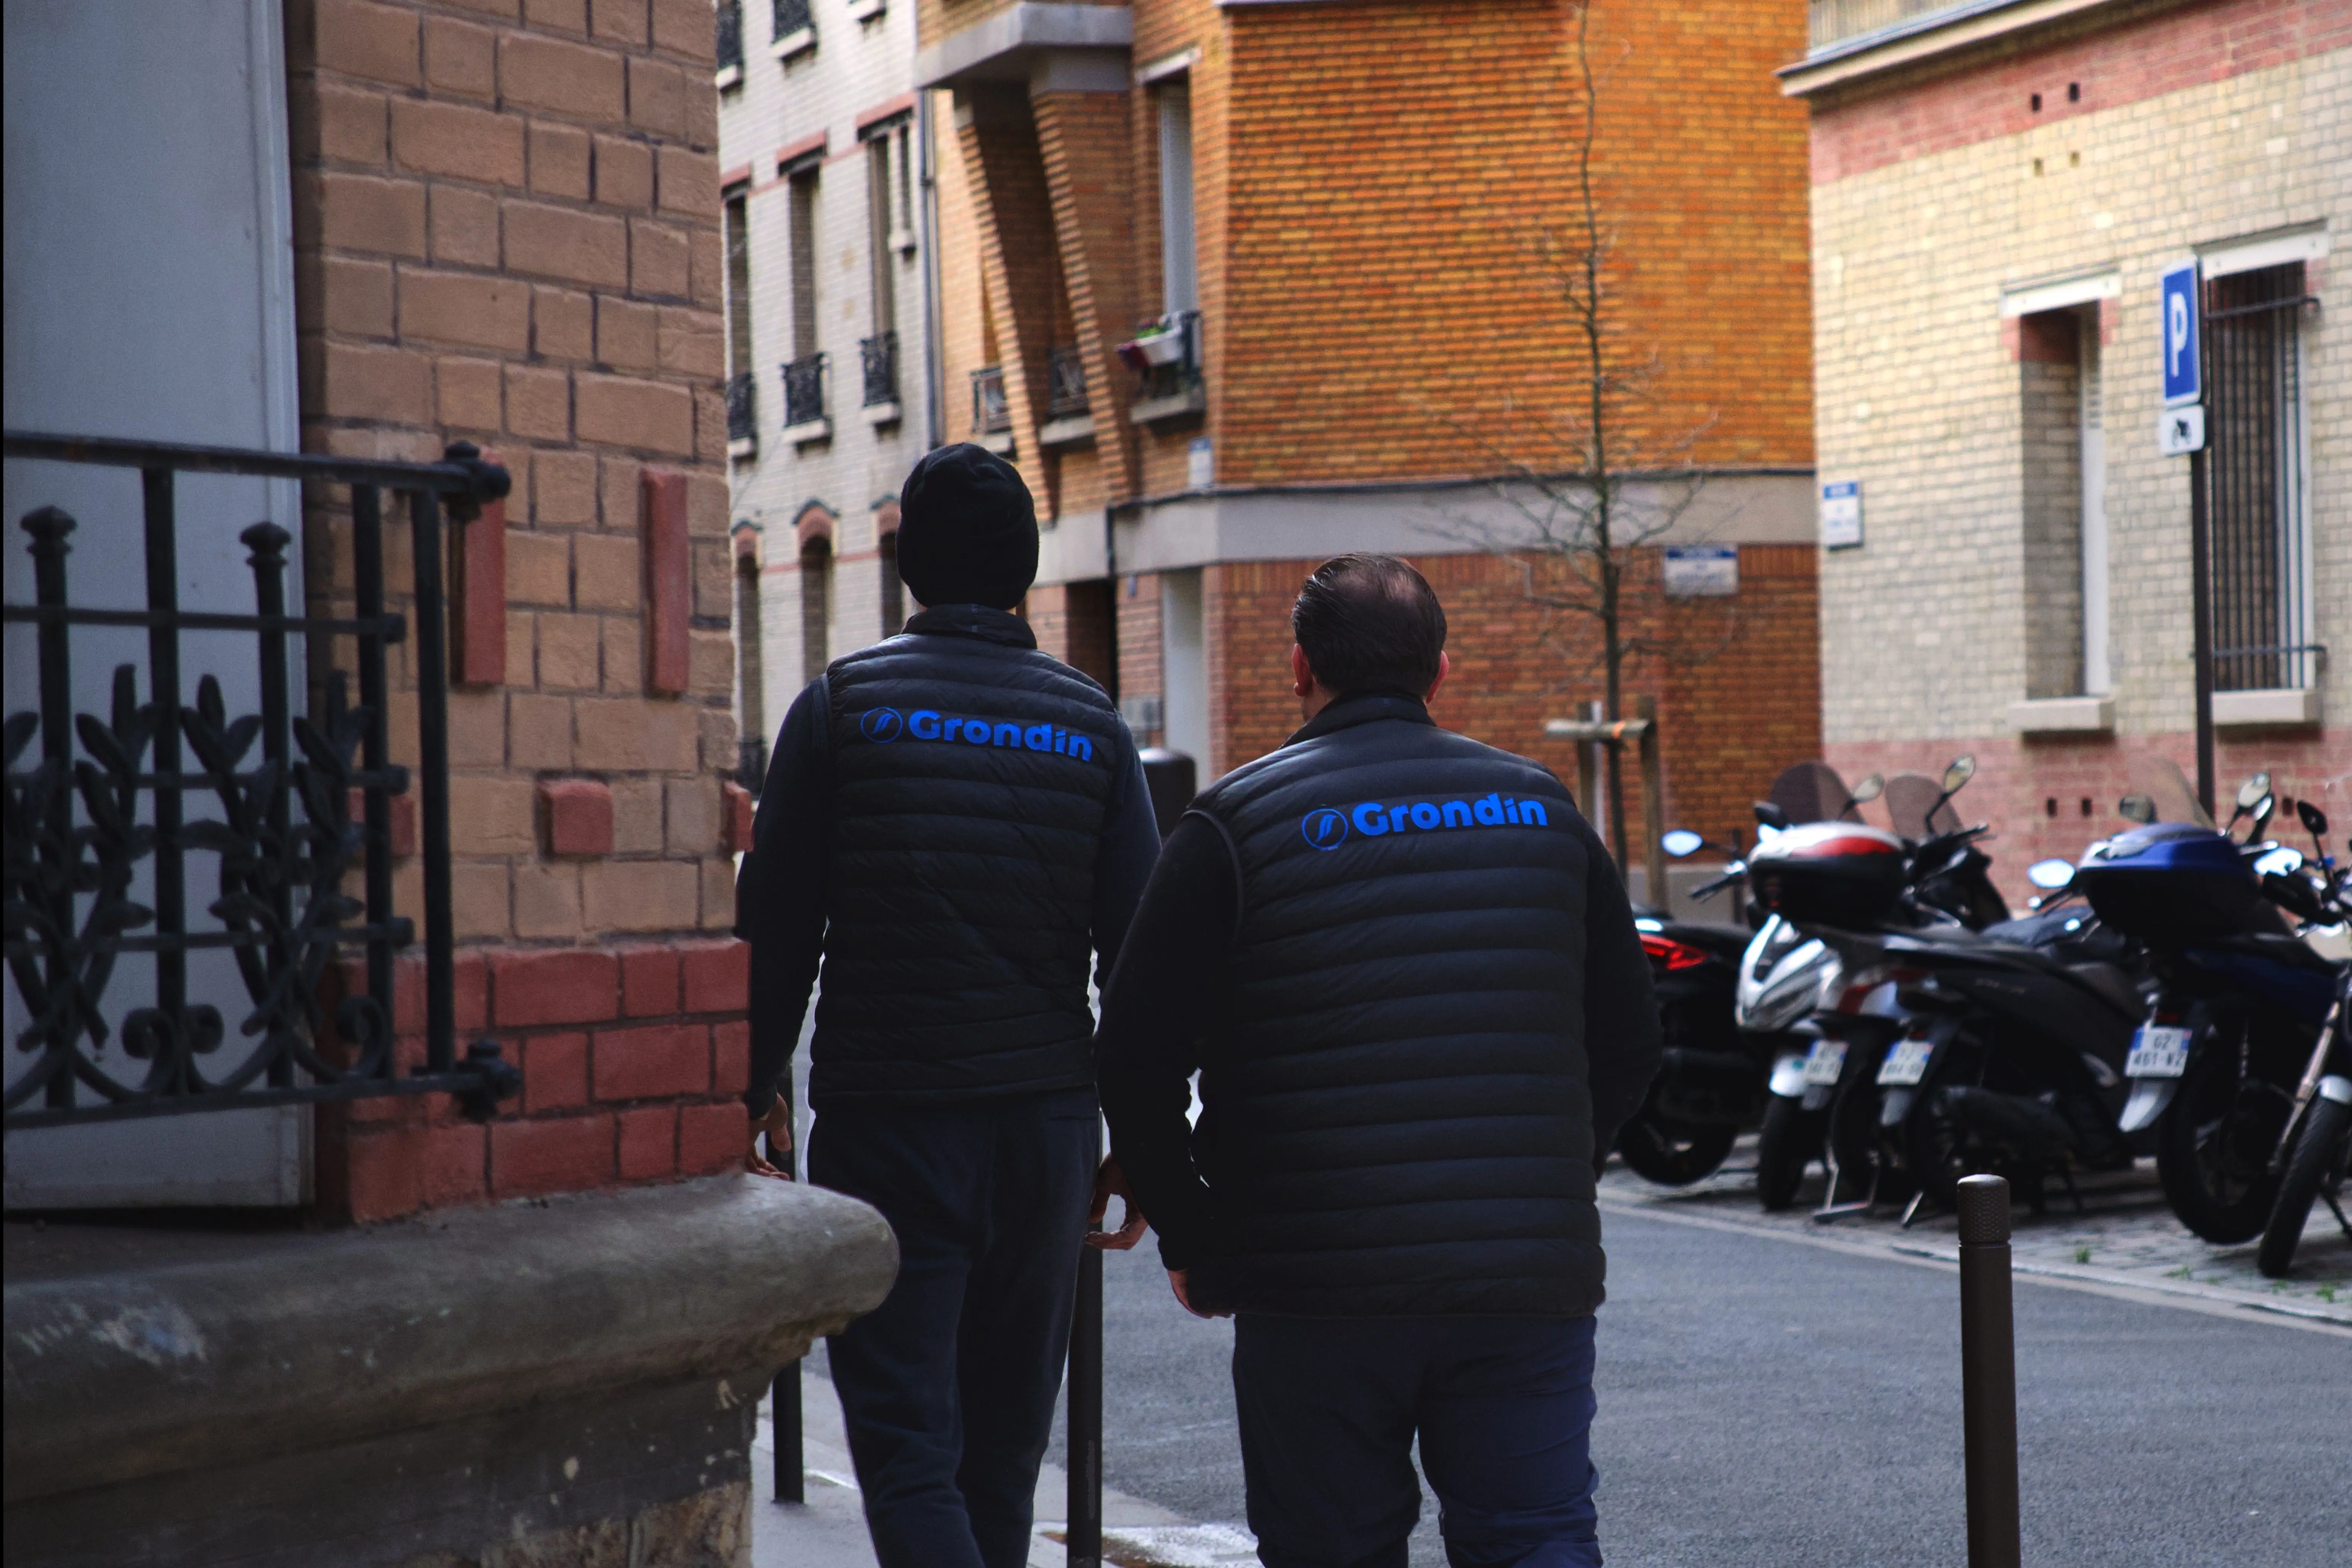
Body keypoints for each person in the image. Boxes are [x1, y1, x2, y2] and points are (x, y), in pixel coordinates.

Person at [1095, 553, 1662, 1568]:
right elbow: (1628, 1043)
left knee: (1332, 1549)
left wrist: (1199, 1238)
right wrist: (1545, 1182)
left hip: (1315, 1288)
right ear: (1440, 671)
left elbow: (1135, 1061)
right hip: (1522, 1284)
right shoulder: (1544, 812)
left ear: (1302, 668)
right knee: (1535, 1542)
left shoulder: (1235, 826)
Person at [734, 443, 1158, 1568]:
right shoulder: (1095, 729)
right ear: (1025, 570)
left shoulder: (841, 711)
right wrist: (1141, 1150)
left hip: (893, 1124)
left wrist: (751, 1093)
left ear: (909, 565)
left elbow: (777, 936)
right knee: (1002, 1456)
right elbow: (1142, 968)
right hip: (1044, 1135)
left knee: (908, 1449)